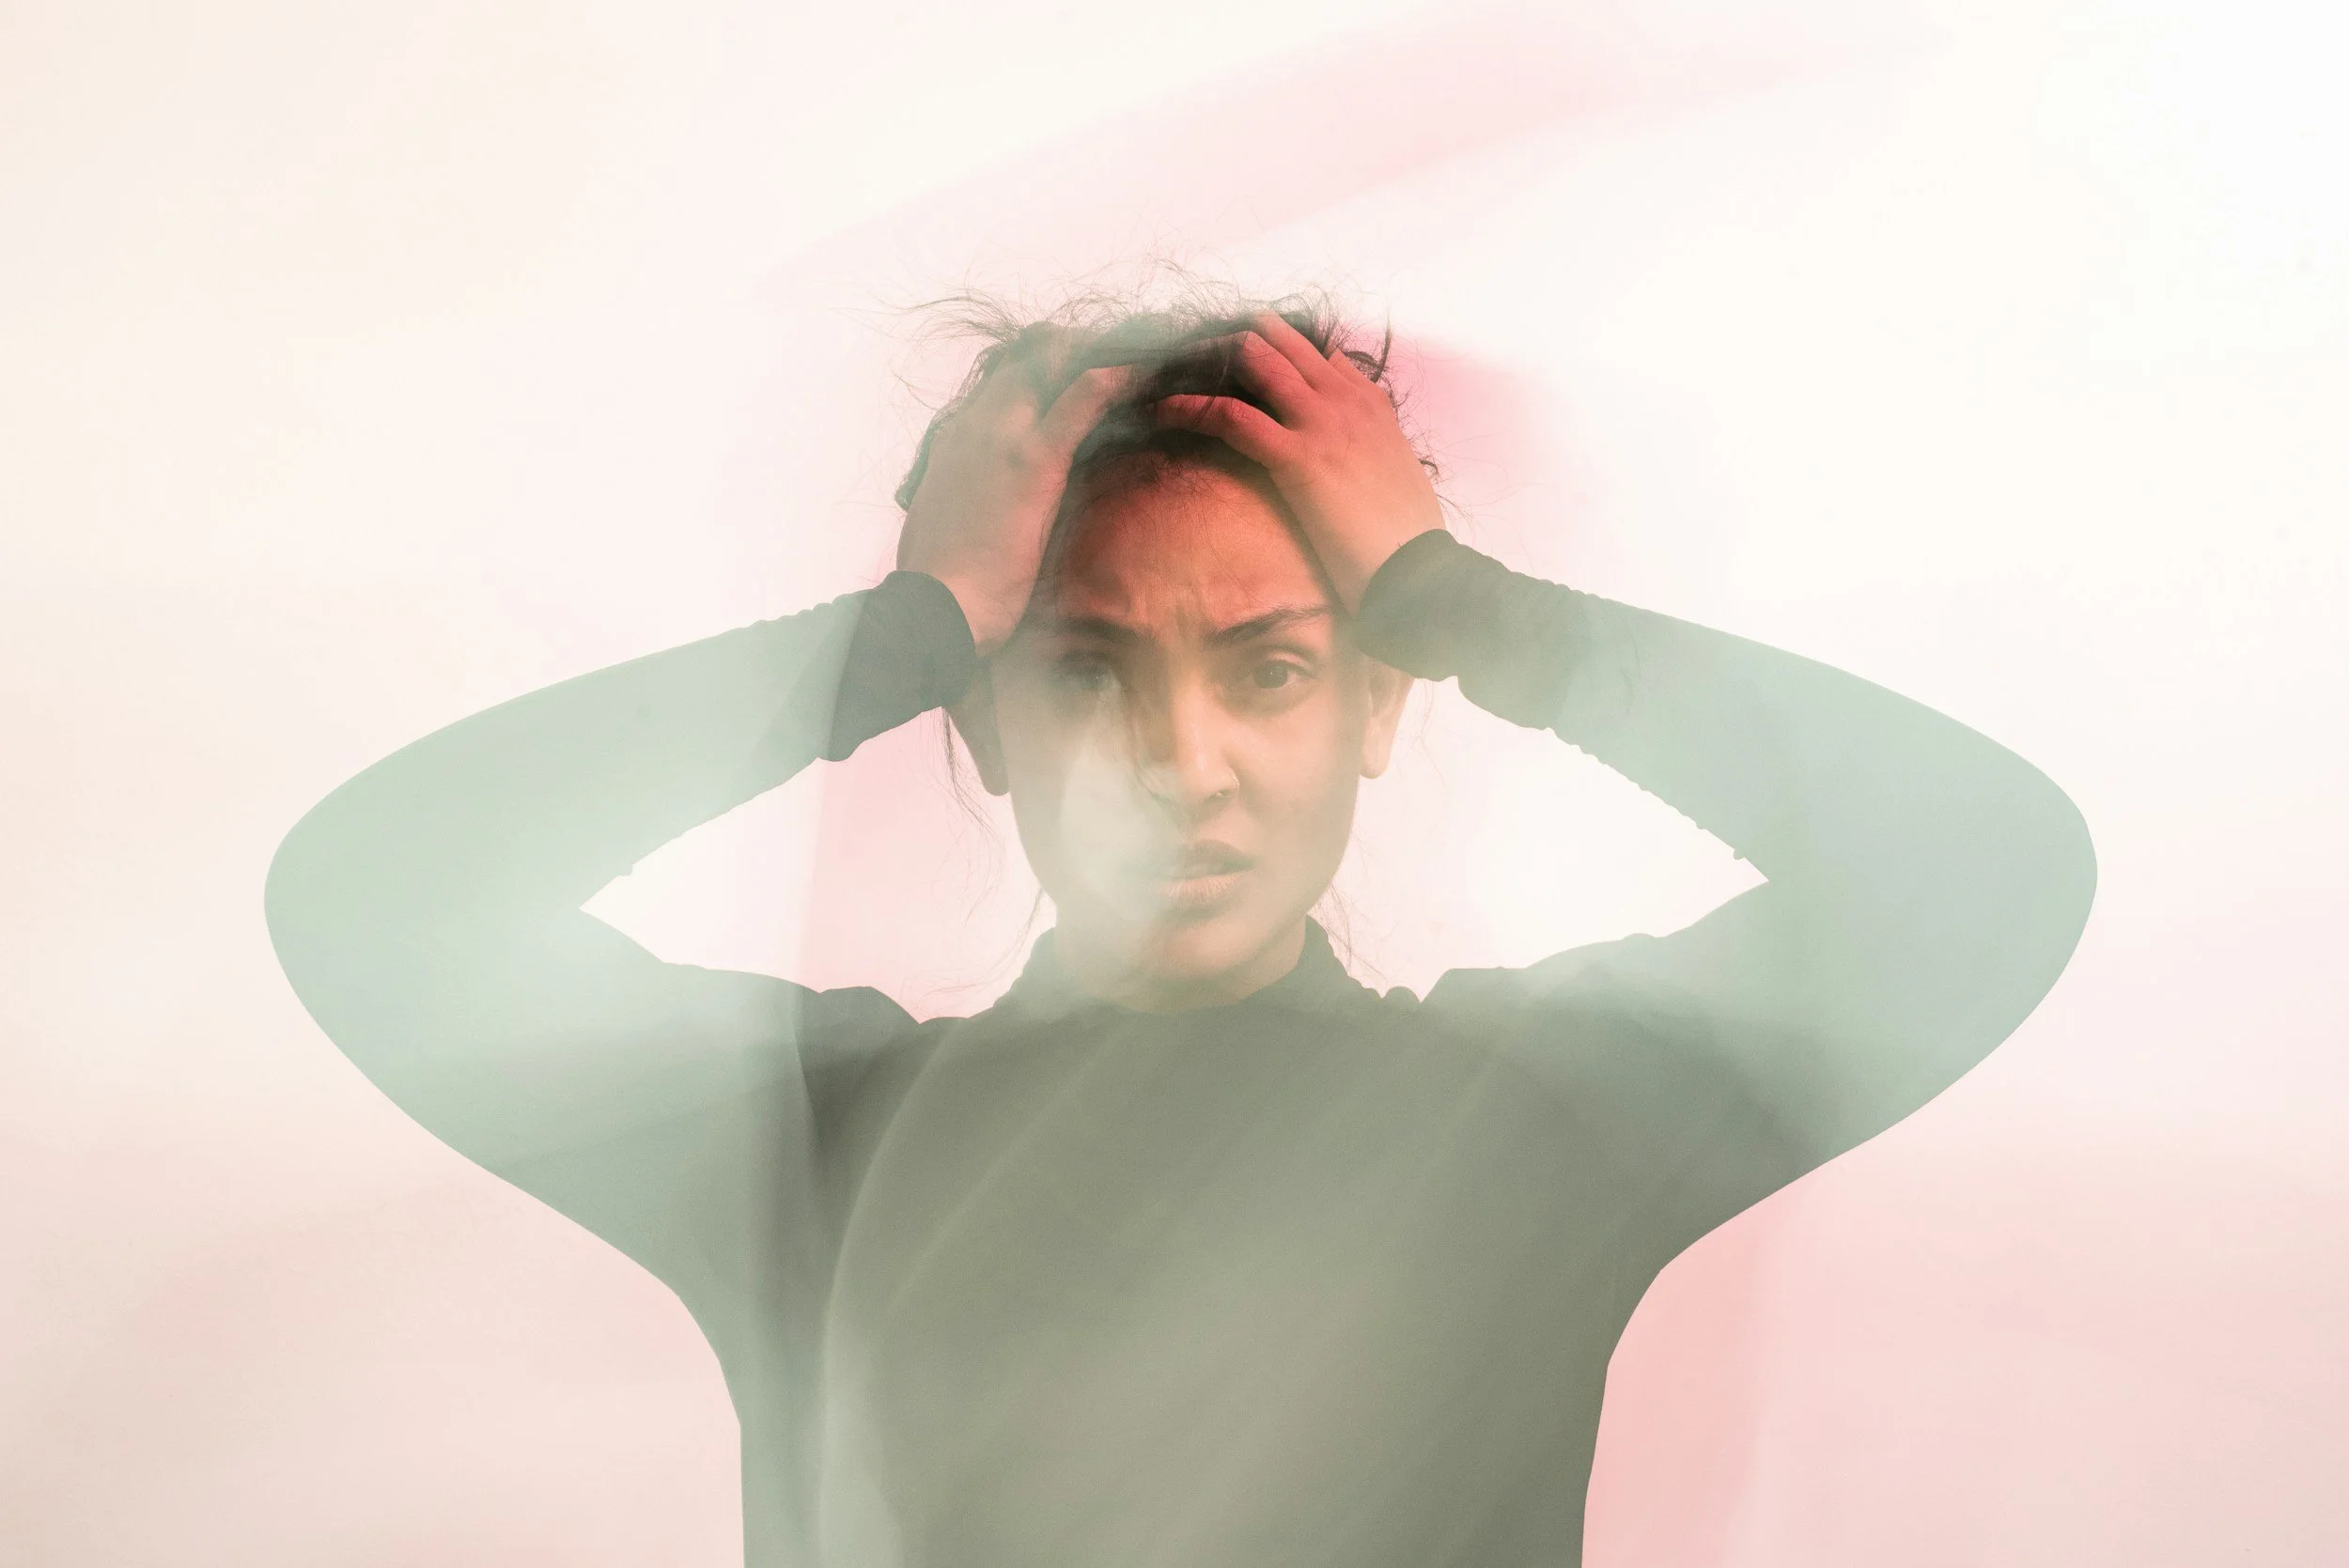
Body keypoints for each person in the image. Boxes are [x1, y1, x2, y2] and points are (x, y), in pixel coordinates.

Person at [265, 297, 2095, 1567]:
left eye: (1274, 666)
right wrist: (903, 626)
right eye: (1082, 673)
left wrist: (1453, 601)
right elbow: (384, 899)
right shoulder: (815, 1147)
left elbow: (1978, 868)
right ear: (980, 714)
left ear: (1384, 702)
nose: (1180, 764)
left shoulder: (1542, 1120)